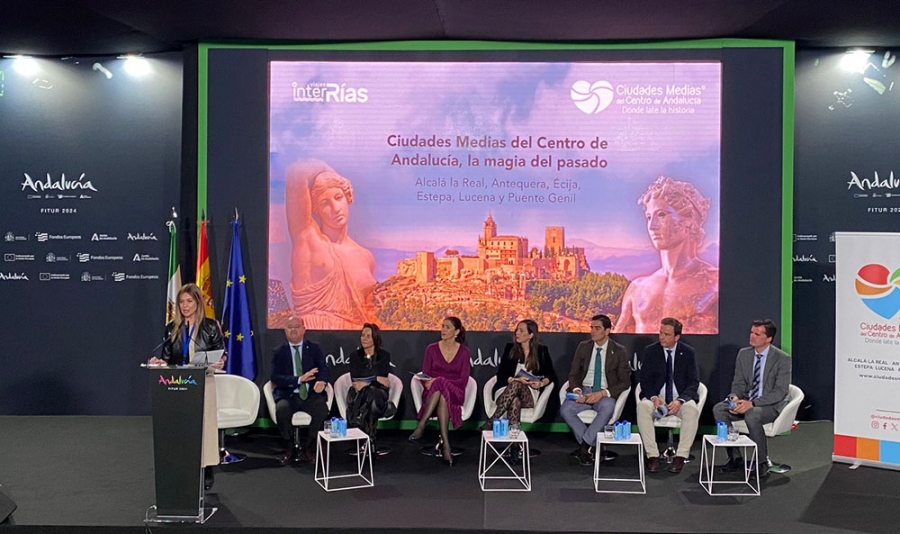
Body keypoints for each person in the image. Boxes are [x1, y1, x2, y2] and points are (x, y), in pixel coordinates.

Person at [615, 176, 718, 334]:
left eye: (662, 215)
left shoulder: (715, 282)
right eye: (649, 217)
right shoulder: (638, 288)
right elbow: (617, 343)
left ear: (689, 219)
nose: (652, 226)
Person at [150, 283, 226, 490]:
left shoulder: (211, 326)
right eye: (181, 302)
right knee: (182, 428)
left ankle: (206, 468)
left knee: (204, 428)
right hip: (179, 384)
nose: (184, 306)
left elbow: (221, 353)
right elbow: (167, 358)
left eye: (189, 301)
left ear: (198, 302)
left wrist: (220, 361)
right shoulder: (172, 328)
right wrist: (159, 363)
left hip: (203, 383)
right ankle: (182, 467)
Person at [285, 159, 376, 330]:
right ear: (316, 210)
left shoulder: (366, 257)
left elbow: (370, 316)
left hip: (354, 340)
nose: (335, 208)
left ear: (348, 197)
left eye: (338, 197)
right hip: (316, 335)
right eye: (325, 203)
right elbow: (296, 172)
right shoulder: (308, 238)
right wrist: (330, 172)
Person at [712, 319, 792, 479]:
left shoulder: (782, 358)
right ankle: (735, 458)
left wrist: (752, 403)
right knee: (719, 409)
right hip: (746, 401)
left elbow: (780, 392)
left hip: (769, 405)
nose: (752, 336)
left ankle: (761, 462)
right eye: (751, 332)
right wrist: (734, 397)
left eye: (757, 334)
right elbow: (738, 383)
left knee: (752, 414)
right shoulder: (744, 354)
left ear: (768, 338)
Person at [560, 314, 631, 466]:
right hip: (584, 391)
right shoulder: (583, 347)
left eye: (597, 328)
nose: (592, 331)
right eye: (591, 327)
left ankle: (584, 446)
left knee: (608, 407)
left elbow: (625, 382)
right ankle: (592, 446)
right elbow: (573, 374)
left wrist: (602, 393)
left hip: (604, 393)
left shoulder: (619, 351)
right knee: (566, 409)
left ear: (607, 331)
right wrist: (577, 390)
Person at [636, 317, 701, 474]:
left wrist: (680, 400)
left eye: (666, 334)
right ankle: (652, 455)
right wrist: (654, 397)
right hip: (658, 400)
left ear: (677, 337)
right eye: (660, 333)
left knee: (692, 410)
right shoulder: (651, 351)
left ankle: (681, 456)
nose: (661, 337)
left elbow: (693, 382)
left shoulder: (688, 352)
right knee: (643, 407)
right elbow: (644, 380)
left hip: (679, 400)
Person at [409, 317, 471, 466]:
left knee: (441, 382)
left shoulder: (464, 352)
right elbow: (425, 375)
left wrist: (440, 380)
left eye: (447, 327)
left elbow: (463, 381)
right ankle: (446, 445)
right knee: (442, 392)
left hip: (455, 392)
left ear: (456, 331)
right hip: (433, 394)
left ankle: (422, 424)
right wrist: (429, 382)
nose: (443, 330)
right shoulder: (431, 349)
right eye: (442, 326)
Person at [270, 315, 330, 465]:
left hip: (310, 394)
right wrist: (299, 379)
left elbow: (323, 368)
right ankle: (290, 447)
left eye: (297, 327)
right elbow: (275, 377)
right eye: (290, 327)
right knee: (282, 410)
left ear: (304, 329)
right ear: (285, 330)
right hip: (288, 394)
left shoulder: (314, 348)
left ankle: (308, 447)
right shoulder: (279, 352)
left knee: (322, 411)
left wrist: (322, 381)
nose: (293, 330)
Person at [346, 323, 396, 451]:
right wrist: (376, 379)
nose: (364, 338)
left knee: (372, 392)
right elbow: (356, 379)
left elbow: (383, 379)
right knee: (371, 398)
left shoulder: (384, 355)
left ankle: (359, 420)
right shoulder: (354, 356)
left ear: (375, 338)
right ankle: (371, 438)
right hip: (359, 394)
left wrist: (368, 381)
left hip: (379, 393)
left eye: (368, 336)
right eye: (363, 335)